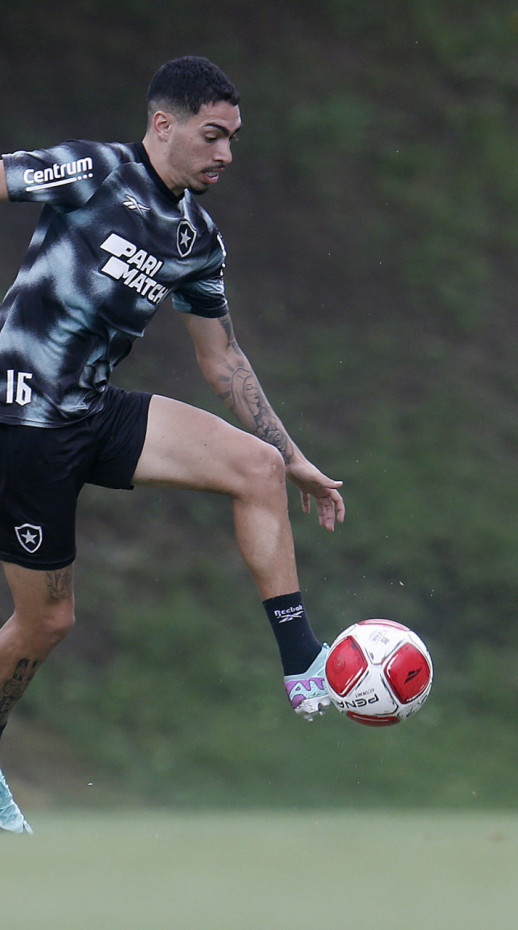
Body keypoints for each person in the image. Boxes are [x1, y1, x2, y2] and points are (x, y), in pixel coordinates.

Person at [0, 56, 345, 833]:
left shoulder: (195, 236)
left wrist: (292, 458)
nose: (225, 153)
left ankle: (303, 662)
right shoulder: (95, 169)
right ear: (165, 125)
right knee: (48, 624)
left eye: (233, 139)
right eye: (212, 135)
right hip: (21, 422)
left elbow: (222, 360)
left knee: (254, 466)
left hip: (91, 410)